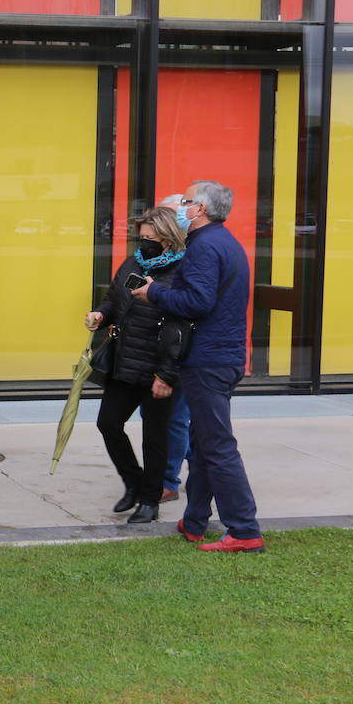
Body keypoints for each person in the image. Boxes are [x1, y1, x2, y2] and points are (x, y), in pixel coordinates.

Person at [132, 181, 261, 552]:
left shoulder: (205, 247)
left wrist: (153, 292)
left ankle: (244, 530)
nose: (180, 207)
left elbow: (198, 301)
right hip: (218, 356)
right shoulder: (223, 242)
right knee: (203, 443)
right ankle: (194, 521)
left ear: (200, 209)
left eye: (186, 201)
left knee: (217, 446)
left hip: (209, 359)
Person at [85, 207, 187, 524]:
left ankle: (149, 500)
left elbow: (181, 327)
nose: (143, 244)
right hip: (126, 361)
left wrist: (167, 374)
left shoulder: (182, 273)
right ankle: (134, 482)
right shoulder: (134, 264)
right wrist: (101, 315)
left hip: (158, 367)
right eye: (140, 237)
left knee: (154, 437)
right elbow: (116, 300)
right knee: (108, 423)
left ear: (168, 238)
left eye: (149, 238)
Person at [157, 193, 192, 502]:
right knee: (174, 418)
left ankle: (169, 480)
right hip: (157, 348)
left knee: (175, 418)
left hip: (180, 349)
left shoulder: (193, 256)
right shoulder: (154, 255)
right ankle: (201, 468)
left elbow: (189, 306)